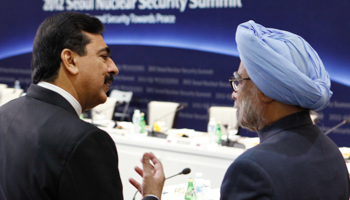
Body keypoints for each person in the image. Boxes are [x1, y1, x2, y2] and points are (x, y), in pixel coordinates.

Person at [0, 12, 164, 200]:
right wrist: (152, 196)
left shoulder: (4, 114)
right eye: (103, 57)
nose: (113, 68)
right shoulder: (85, 141)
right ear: (70, 61)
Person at [220, 20, 350, 199]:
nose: (235, 94)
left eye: (240, 82)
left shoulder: (251, 170)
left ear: (266, 91)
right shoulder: (331, 152)